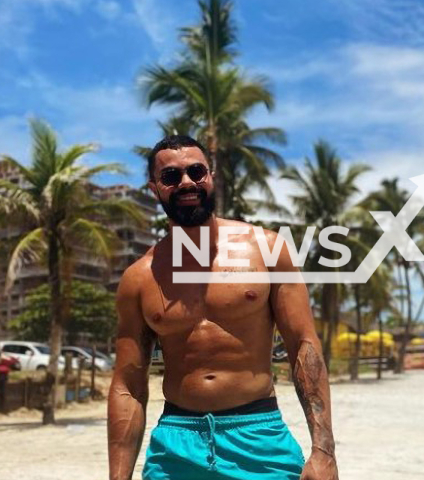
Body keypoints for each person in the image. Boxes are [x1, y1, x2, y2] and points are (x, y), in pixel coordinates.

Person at [107, 135, 338, 480]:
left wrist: (323, 451)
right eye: (171, 176)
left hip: (259, 436)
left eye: (196, 171)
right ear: (155, 188)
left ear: (211, 176)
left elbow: (303, 346)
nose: (187, 182)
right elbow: (128, 384)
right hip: (175, 445)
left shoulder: (267, 249)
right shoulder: (139, 278)